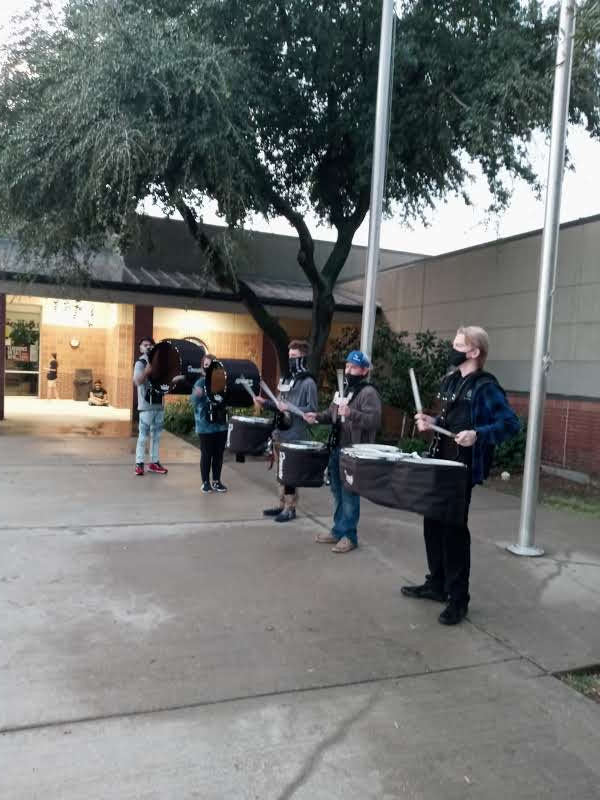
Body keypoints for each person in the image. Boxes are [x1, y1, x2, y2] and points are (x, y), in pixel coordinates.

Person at [402, 326, 520, 625]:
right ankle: (437, 584)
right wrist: (431, 421)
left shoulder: (485, 387)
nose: (451, 349)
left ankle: (458, 599)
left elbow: (509, 424)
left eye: (457, 345)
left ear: (474, 352)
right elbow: (447, 418)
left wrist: (477, 434)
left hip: (460, 468)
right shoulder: (451, 381)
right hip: (438, 462)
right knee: (432, 523)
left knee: (453, 531)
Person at [305, 350, 382, 553]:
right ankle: (338, 530)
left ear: (364, 370)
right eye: (347, 366)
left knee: (349, 495)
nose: (349, 370)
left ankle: (350, 536)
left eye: (354, 367)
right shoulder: (342, 390)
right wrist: (316, 416)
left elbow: (374, 420)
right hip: (336, 447)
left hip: (353, 452)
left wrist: (351, 413)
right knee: (337, 492)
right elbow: (331, 414)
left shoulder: (368, 392)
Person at [254, 340, 318, 522]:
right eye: (290, 356)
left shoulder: (308, 383)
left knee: (290, 474)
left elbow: (312, 410)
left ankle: (290, 508)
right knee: (281, 473)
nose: (291, 360)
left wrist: (290, 408)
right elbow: (279, 405)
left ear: (303, 358)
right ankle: (282, 504)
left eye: (295, 357)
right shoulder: (286, 379)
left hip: (295, 435)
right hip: (280, 433)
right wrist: (265, 402)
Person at [190, 353, 228, 494]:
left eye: (211, 364)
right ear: (203, 367)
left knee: (218, 454)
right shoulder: (200, 382)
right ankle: (205, 482)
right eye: (206, 365)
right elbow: (193, 401)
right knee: (207, 454)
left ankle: (217, 481)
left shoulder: (222, 382)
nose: (209, 367)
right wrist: (197, 395)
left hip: (221, 425)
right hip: (205, 426)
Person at [133, 336, 168, 477]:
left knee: (157, 436)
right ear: (140, 348)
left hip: (159, 404)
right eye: (144, 345)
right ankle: (139, 463)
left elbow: (166, 382)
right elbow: (137, 381)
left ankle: (154, 462)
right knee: (143, 436)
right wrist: (147, 371)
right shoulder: (140, 363)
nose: (148, 347)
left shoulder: (160, 363)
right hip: (146, 406)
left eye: (150, 345)